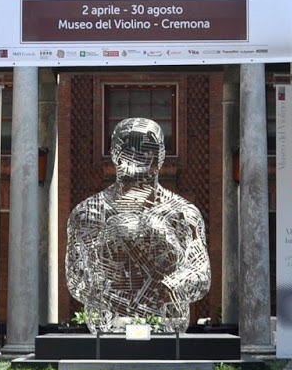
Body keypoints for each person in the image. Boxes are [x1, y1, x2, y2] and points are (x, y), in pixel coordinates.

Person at [65, 117, 211, 334]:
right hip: (109, 331)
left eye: (148, 148)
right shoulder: (88, 213)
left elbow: (201, 274)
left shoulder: (183, 213)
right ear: (114, 153)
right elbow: (76, 276)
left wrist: (170, 287)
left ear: (161, 155)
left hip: (166, 331)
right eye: (129, 147)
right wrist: (112, 293)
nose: (140, 156)